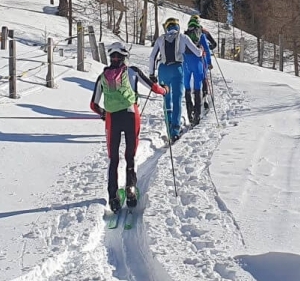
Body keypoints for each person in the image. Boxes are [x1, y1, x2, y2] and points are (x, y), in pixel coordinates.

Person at [90, 41, 165, 213]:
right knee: (130, 155)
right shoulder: (132, 71)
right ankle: (131, 189)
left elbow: (93, 105)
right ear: (125, 57)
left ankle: (113, 197)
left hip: (112, 119)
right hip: (132, 116)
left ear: (110, 58)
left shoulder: (102, 76)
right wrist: (165, 91)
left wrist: (104, 114)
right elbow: (154, 88)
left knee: (113, 159)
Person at [148, 17, 202, 141]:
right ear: (177, 26)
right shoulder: (183, 37)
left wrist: (152, 74)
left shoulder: (161, 38)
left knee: (167, 99)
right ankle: (175, 130)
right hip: (177, 69)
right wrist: (202, 50)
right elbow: (197, 52)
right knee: (177, 99)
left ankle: (168, 128)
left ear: (167, 27)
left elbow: (152, 58)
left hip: (163, 70)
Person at [182, 16, 213, 124]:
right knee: (197, 86)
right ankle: (197, 114)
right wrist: (209, 62)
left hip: (186, 63)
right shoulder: (201, 34)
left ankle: (189, 112)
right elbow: (207, 50)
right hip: (198, 62)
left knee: (187, 87)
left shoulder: (185, 35)